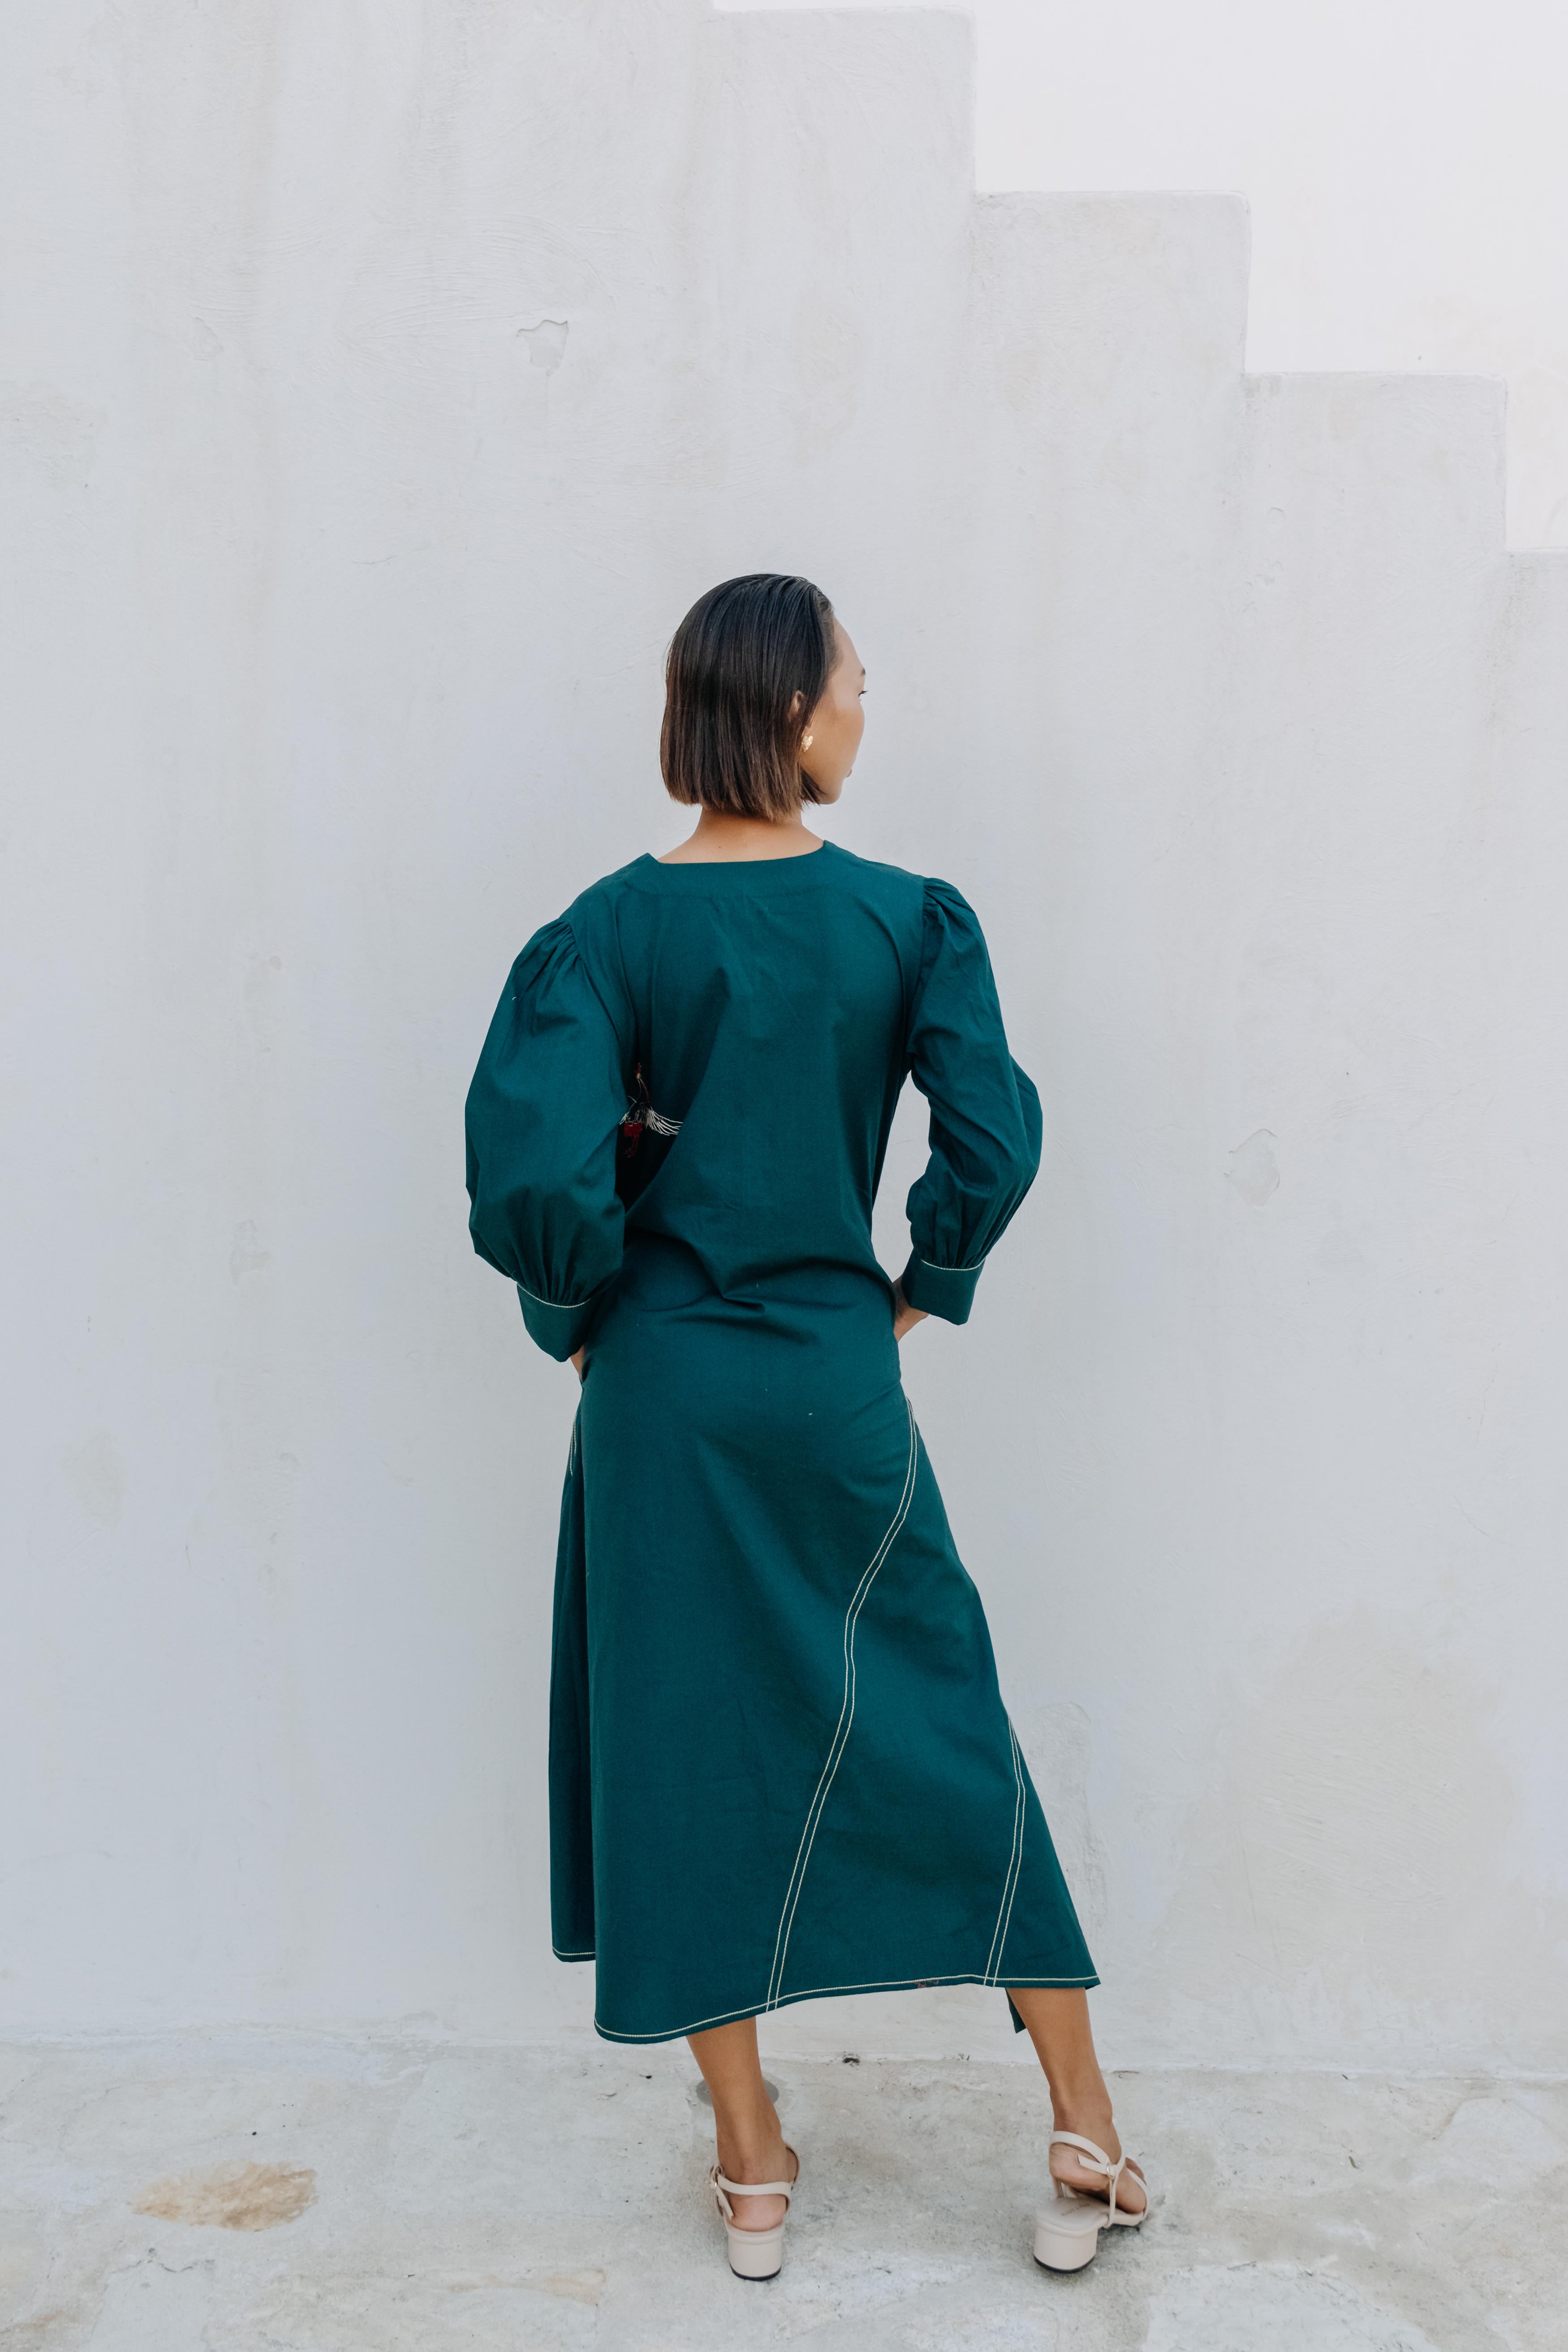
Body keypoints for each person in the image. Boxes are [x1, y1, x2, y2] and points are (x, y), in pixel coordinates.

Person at [464, 573, 1146, 2280]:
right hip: (833, 1383)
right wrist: (921, 1285)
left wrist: (578, 1320)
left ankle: (752, 2160)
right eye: (851, 682)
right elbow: (987, 1133)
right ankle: (1083, 2129)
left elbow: (538, 1172)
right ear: (786, 708)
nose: (861, 709)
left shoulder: (602, 935)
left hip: (660, 1400)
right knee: (946, 1720)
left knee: (679, 1747)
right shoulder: (905, 919)